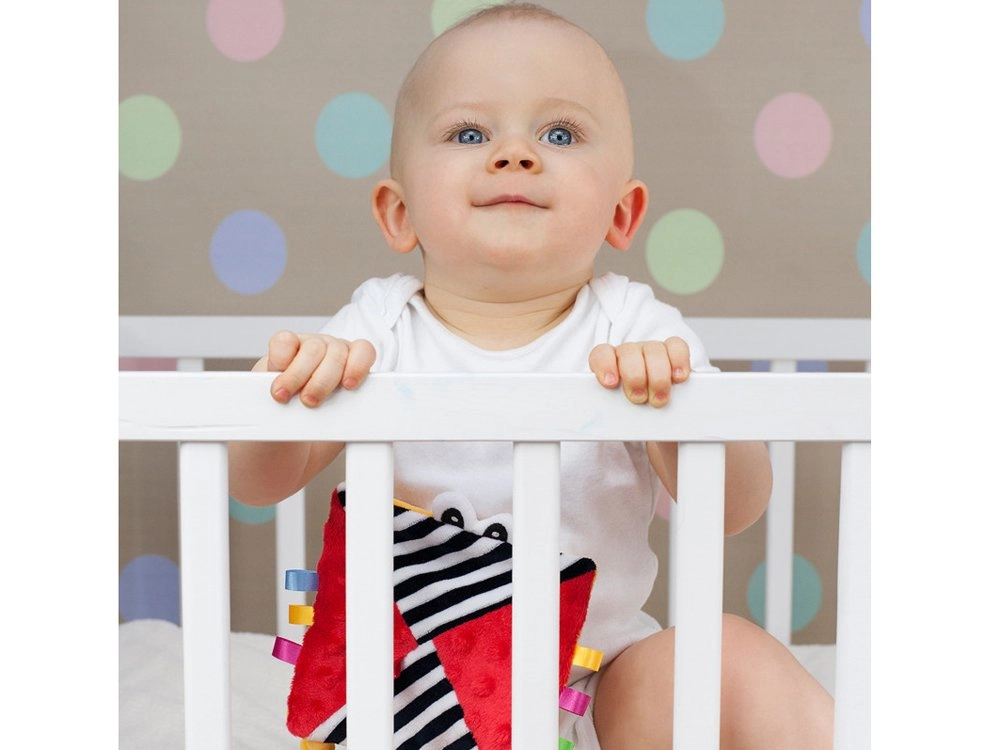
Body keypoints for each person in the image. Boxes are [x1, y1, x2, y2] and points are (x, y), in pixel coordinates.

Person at [229, 3, 833, 748]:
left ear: (622, 213)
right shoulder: (376, 327)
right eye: (469, 134)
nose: (514, 154)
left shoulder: (636, 329)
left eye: (560, 134)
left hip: (595, 690)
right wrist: (284, 392)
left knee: (721, 654)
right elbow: (257, 482)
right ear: (399, 213)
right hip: (418, 699)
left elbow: (736, 507)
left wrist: (676, 411)